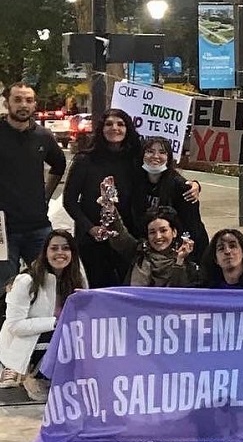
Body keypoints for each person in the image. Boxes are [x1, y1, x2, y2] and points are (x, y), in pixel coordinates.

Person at [0, 231, 87, 402]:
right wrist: (55, 323)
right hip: (26, 342)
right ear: (45, 252)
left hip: (56, 336)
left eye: (66, 248)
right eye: (54, 248)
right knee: (61, 333)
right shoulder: (25, 281)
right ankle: (34, 376)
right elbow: (14, 326)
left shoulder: (76, 279)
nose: (60, 253)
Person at [0, 83, 66, 306]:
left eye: (28, 100)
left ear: (35, 104)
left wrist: (46, 197)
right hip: (3, 229)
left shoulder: (43, 136)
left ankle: (46, 335)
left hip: (37, 226)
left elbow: (59, 165)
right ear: (7, 102)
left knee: (49, 283)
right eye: (17, 99)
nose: (23, 105)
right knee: (5, 287)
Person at [63, 108, 142, 288]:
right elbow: (69, 200)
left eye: (120, 124)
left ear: (128, 129)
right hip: (92, 240)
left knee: (127, 287)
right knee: (97, 288)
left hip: (127, 238)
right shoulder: (84, 160)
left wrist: (192, 184)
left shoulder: (135, 160)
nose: (114, 128)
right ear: (101, 129)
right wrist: (90, 228)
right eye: (109, 124)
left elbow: (163, 173)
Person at [128, 136, 208, 260]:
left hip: (179, 251)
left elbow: (192, 226)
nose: (155, 156)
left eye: (162, 152)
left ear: (169, 157)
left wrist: (181, 254)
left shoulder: (183, 187)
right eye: (150, 151)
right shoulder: (135, 182)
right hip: (150, 247)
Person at [106, 206, 202, 287]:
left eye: (163, 230)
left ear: (174, 232)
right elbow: (119, 235)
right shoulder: (138, 252)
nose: (158, 237)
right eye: (152, 232)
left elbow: (179, 295)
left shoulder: (189, 264)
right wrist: (110, 209)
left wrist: (179, 261)